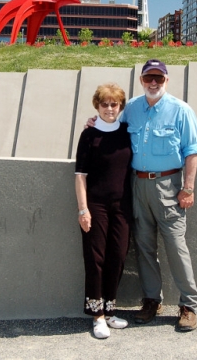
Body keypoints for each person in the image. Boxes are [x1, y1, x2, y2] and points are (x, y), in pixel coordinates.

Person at [87, 59, 197, 332]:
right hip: (137, 187)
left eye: (158, 79)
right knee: (145, 248)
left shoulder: (181, 110)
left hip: (169, 187)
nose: (153, 83)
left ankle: (188, 305)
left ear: (166, 81)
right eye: (149, 78)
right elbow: (111, 125)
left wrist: (188, 187)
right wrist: (93, 123)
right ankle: (151, 300)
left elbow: (192, 150)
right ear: (141, 80)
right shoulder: (132, 109)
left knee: (175, 246)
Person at [75, 83, 132, 339]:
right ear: (97, 106)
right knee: (95, 260)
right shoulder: (89, 134)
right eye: (105, 104)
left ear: (120, 106)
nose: (110, 108)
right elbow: (80, 176)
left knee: (117, 257)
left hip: (122, 206)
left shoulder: (127, 131)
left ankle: (110, 310)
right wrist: (83, 210)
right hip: (95, 206)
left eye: (114, 104)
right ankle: (97, 316)